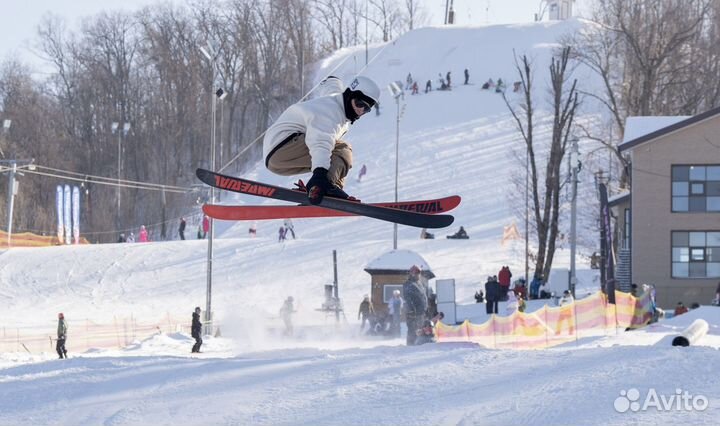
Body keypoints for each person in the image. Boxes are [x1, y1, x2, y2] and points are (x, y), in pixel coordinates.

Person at [263, 75, 380, 205]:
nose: (360, 110)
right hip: (283, 144)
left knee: (336, 163)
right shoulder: (331, 111)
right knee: (342, 150)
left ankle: (327, 190)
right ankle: (324, 187)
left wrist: (332, 80)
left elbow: (332, 90)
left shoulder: (337, 103)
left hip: (278, 160)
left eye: (366, 109)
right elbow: (320, 142)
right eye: (359, 104)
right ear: (350, 95)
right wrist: (320, 174)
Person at [403, 265, 428, 346]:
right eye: (415, 273)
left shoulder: (419, 283)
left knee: (419, 329)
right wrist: (412, 311)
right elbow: (408, 299)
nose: (417, 274)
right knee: (412, 330)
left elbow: (423, 296)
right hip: (413, 313)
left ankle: (417, 345)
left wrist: (426, 307)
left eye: (418, 273)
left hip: (421, 312)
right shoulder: (408, 284)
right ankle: (410, 346)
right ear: (411, 273)